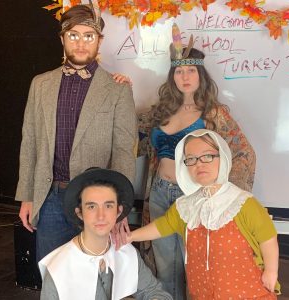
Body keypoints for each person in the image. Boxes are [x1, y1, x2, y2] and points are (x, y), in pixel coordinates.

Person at [134, 24, 256, 299]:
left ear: (200, 74)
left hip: (195, 197)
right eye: (179, 71)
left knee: (198, 264)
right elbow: (129, 139)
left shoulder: (213, 114)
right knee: (166, 267)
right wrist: (119, 87)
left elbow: (244, 153)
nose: (184, 76)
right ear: (172, 76)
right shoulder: (159, 112)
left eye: (190, 70)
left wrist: (224, 197)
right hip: (159, 195)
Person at [15, 3, 137, 261]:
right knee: (52, 273)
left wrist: (119, 208)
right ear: (62, 39)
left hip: (97, 201)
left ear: (99, 41)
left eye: (88, 36)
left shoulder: (117, 90)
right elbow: (30, 143)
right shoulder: (40, 84)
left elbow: (124, 152)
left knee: (94, 276)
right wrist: (27, 196)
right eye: (73, 35)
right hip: (50, 199)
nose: (81, 43)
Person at [124, 129, 280, 299]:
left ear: (223, 157)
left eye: (207, 156)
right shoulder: (187, 206)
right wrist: (130, 237)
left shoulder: (243, 203)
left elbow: (268, 237)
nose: (199, 164)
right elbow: (162, 226)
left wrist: (271, 271)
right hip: (203, 293)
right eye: (191, 159)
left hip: (247, 292)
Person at [39, 168, 173, 300]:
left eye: (108, 206)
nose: (101, 216)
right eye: (91, 207)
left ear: (118, 211)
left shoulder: (127, 254)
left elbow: (156, 292)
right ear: (79, 213)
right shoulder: (58, 269)